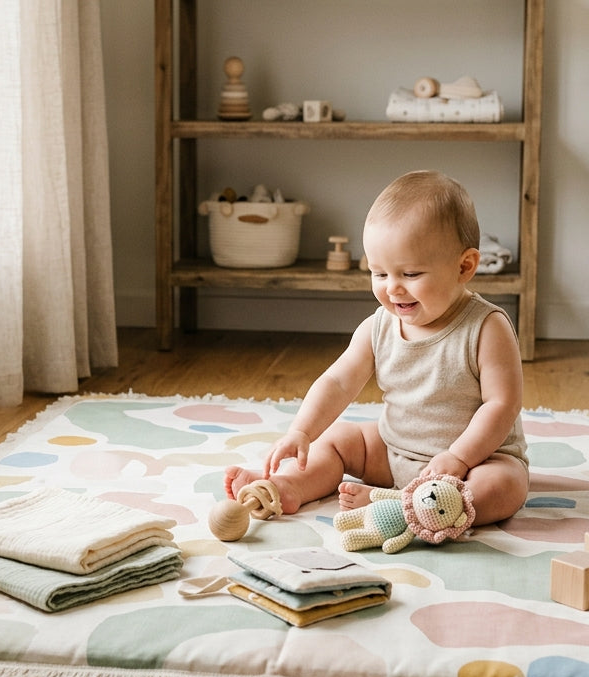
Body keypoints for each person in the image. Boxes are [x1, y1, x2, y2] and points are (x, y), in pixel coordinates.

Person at [223, 169, 529, 526]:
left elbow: (501, 405)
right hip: (393, 450)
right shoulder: (379, 326)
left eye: (410, 274)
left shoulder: (487, 327)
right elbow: (337, 382)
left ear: (464, 267)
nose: (392, 288)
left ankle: (403, 508)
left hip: (476, 461)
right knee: (338, 440)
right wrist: (301, 432)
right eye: (380, 273)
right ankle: (289, 485)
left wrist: (459, 457)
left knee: (502, 487)